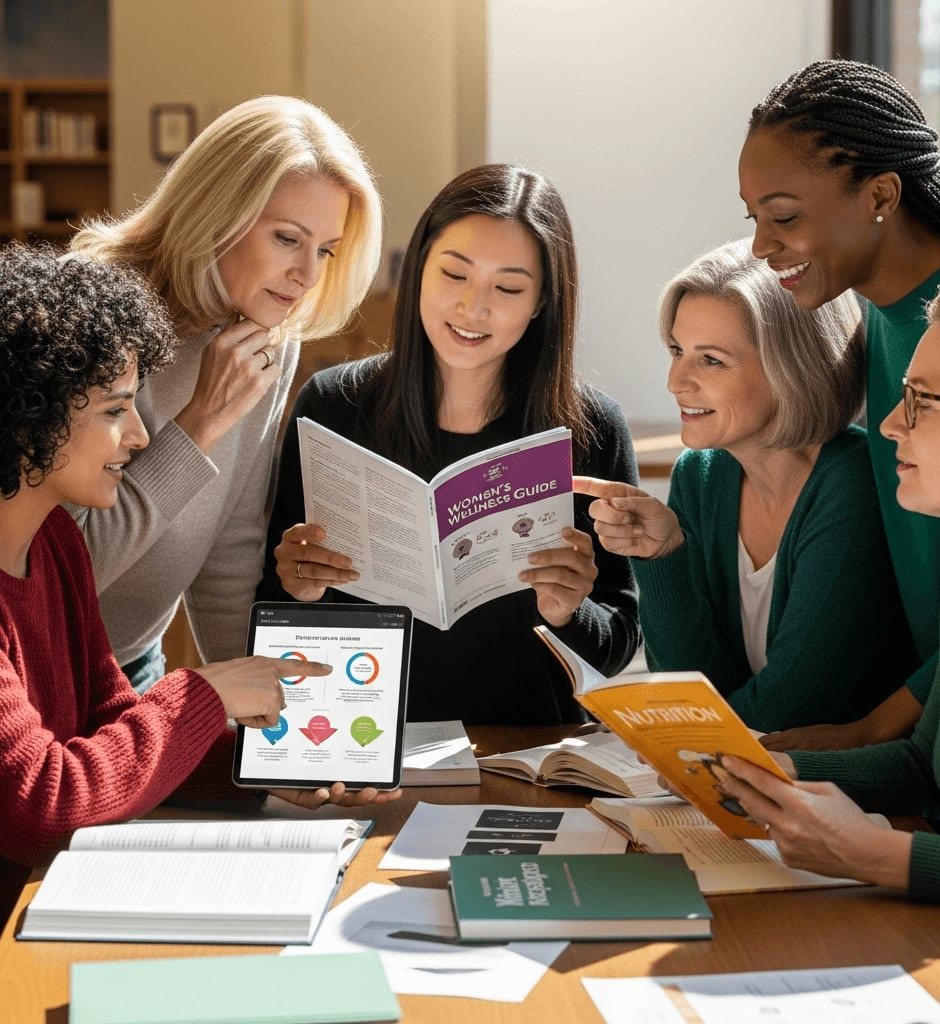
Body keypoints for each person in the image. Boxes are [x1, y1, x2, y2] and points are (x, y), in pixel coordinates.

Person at [0, 245, 397, 924]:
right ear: (32, 412)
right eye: (115, 410)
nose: (138, 435)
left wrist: (267, 766)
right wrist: (204, 695)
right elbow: (44, 806)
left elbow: (108, 720)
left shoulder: (56, 543)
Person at [258, 163, 640, 725]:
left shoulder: (591, 428)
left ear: (541, 302)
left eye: (508, 287)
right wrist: (299, 590)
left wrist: (570, 613)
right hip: (371, 745)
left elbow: (616, 648)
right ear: (418, 268)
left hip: (531, 754)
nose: (473, 307)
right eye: (454, 274)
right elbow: (272, 616)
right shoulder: (334, 407)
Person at [738, 58, 940, 750]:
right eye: (754, 217)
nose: (760, 245)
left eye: (784, 216)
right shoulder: (882, 311)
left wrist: (875, 728)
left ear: (881, 195)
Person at [713, 280, 940, 912]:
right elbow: (924, 764)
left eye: (922, 402)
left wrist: (872, 855)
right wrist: (773, 774)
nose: (887, 424)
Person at [69, 95, 383, 693]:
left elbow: (231, 553)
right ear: (217, 212)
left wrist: (271, 722)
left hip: (130, 672)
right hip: (30, 676)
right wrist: (202, 421)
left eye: (325, 250)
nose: (308, 276)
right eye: (287, 238)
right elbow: (63, 570)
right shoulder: (89, 316)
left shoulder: (266, 338)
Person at [576, 238, 913, 733]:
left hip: (830, 778)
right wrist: (662, 557)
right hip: (738, 768)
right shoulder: (700, 473)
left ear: (791, 368)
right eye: (677, 350)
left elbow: (791, 711)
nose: (676, 380)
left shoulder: (851, 483)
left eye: (711, 360)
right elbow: (690, 688)